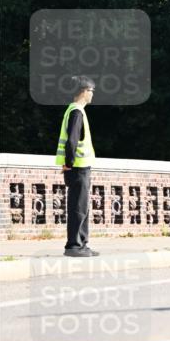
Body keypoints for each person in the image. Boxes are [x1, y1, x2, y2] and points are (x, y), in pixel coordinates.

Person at [55, 76, 98, 257]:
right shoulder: (76, 112)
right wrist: (68, 164)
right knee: (77, 208)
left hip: (81, 168)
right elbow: (72, 141)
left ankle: (82, 244)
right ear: (84, 91)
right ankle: (73, 246)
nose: (92, 95)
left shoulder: (77, 111)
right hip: (77, 168)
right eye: (91, 91)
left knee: (82, 207)